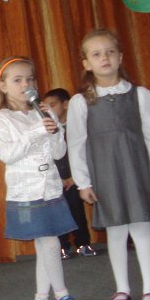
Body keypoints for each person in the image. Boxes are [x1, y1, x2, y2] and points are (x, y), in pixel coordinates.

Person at [0, 56, 85, 300]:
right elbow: (7, 154)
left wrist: (54, 130)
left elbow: (59, 152)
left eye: (30, 79)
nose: (26, 85)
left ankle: (41, 299)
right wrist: (35, 131)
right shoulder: (3, 119)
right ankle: (63, 294)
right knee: (49, 242)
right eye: (17, 80)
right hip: (26, 191)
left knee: (46, 245)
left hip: (51, 188)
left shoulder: (43, 112)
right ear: (3, 86)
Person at [67, 28, 150, 300]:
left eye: (110, 52)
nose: (105, 58)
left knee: (142, 228)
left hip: (137, 171)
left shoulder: (139, 95)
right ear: (87, 63)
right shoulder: (81, 102)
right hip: (106, 174)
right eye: (96, 54)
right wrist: (83, 182)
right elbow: (76, 144)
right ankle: (122, 289)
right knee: (116, 231)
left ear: (120, 57)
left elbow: (149, 136)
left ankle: (149, 288)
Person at [42, 88, 95, 259]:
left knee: (77, 212)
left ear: (65, 104)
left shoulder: (76, 127)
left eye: (53, 105)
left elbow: (84, 154)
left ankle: (83, 243)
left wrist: (75, 178)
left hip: (75, 180)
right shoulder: (48, 130)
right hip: (55, 180)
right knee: (58, 214)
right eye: (46, 107)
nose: (50, 109)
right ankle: (63, 246)